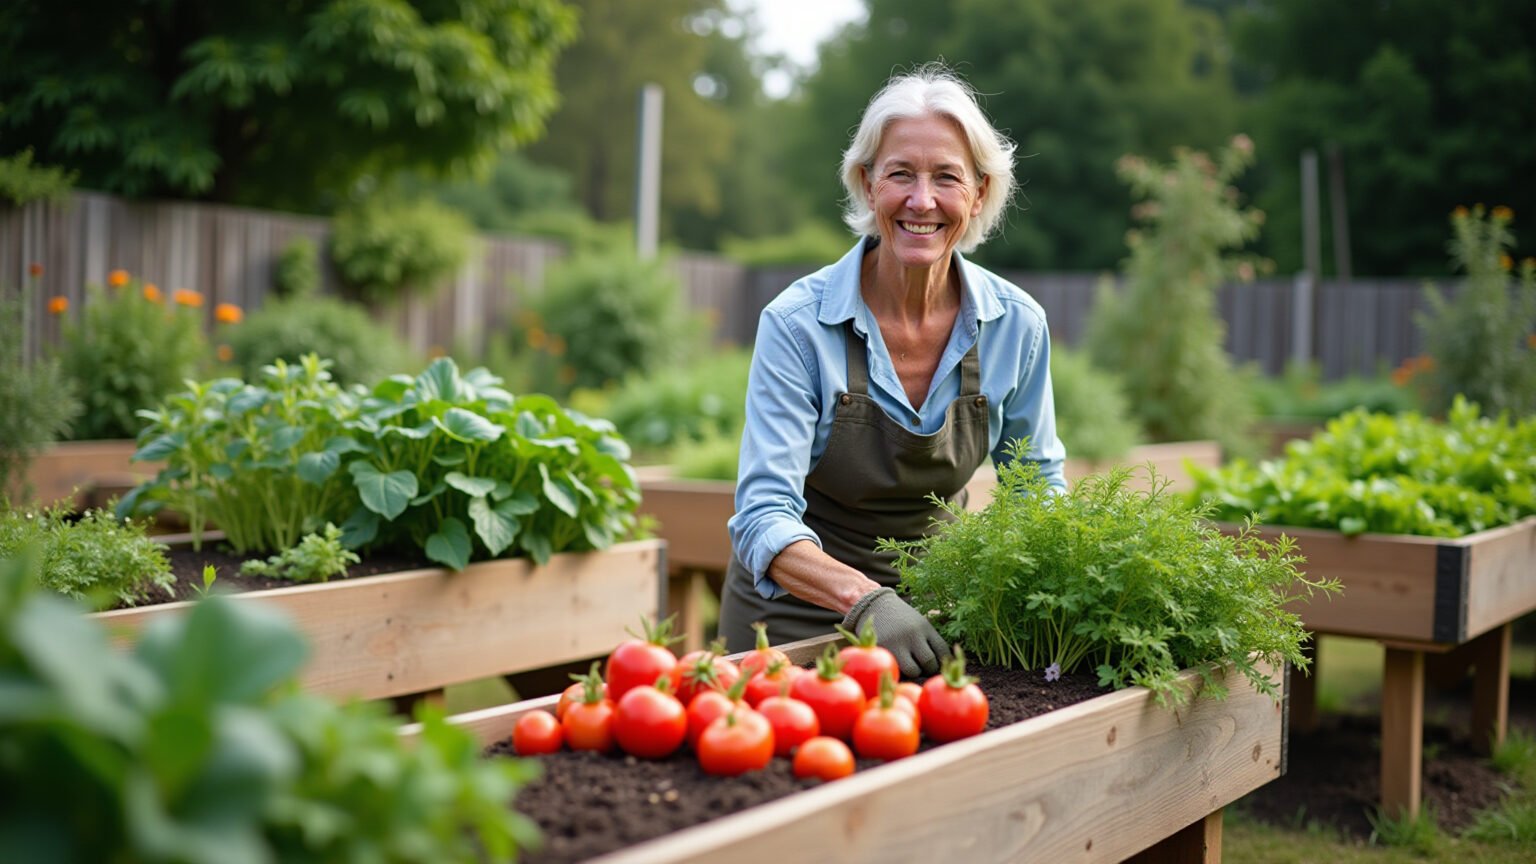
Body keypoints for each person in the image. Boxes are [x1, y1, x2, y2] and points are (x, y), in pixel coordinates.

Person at [718, 65, 1067, 678]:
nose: (921, 200)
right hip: (792, 619)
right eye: (900, 173)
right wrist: (865, 599)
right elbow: (762, 515)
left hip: (934, 616)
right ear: (866, 183)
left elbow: (1035, 491)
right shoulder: (800, 325)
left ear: (980, 194)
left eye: (947, 178)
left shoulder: (1016, 325)